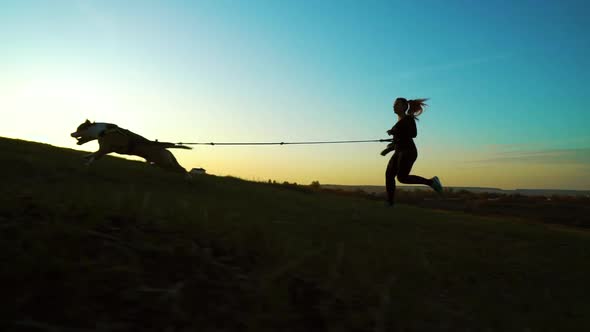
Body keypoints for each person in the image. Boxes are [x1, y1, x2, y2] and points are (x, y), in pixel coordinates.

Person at [381, 97, 443, 206]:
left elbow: (413, 134)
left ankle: (432, 182)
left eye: (397, 104)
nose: (394, 106)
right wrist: (388, 149)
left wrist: (395, 131)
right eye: (394, 104)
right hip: (399, 151)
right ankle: (390, 203)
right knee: (389, 175)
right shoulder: (398, 122)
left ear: (404, 106)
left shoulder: (409, 119)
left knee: (402, 178)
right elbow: (398, 141)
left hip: (408, 152)